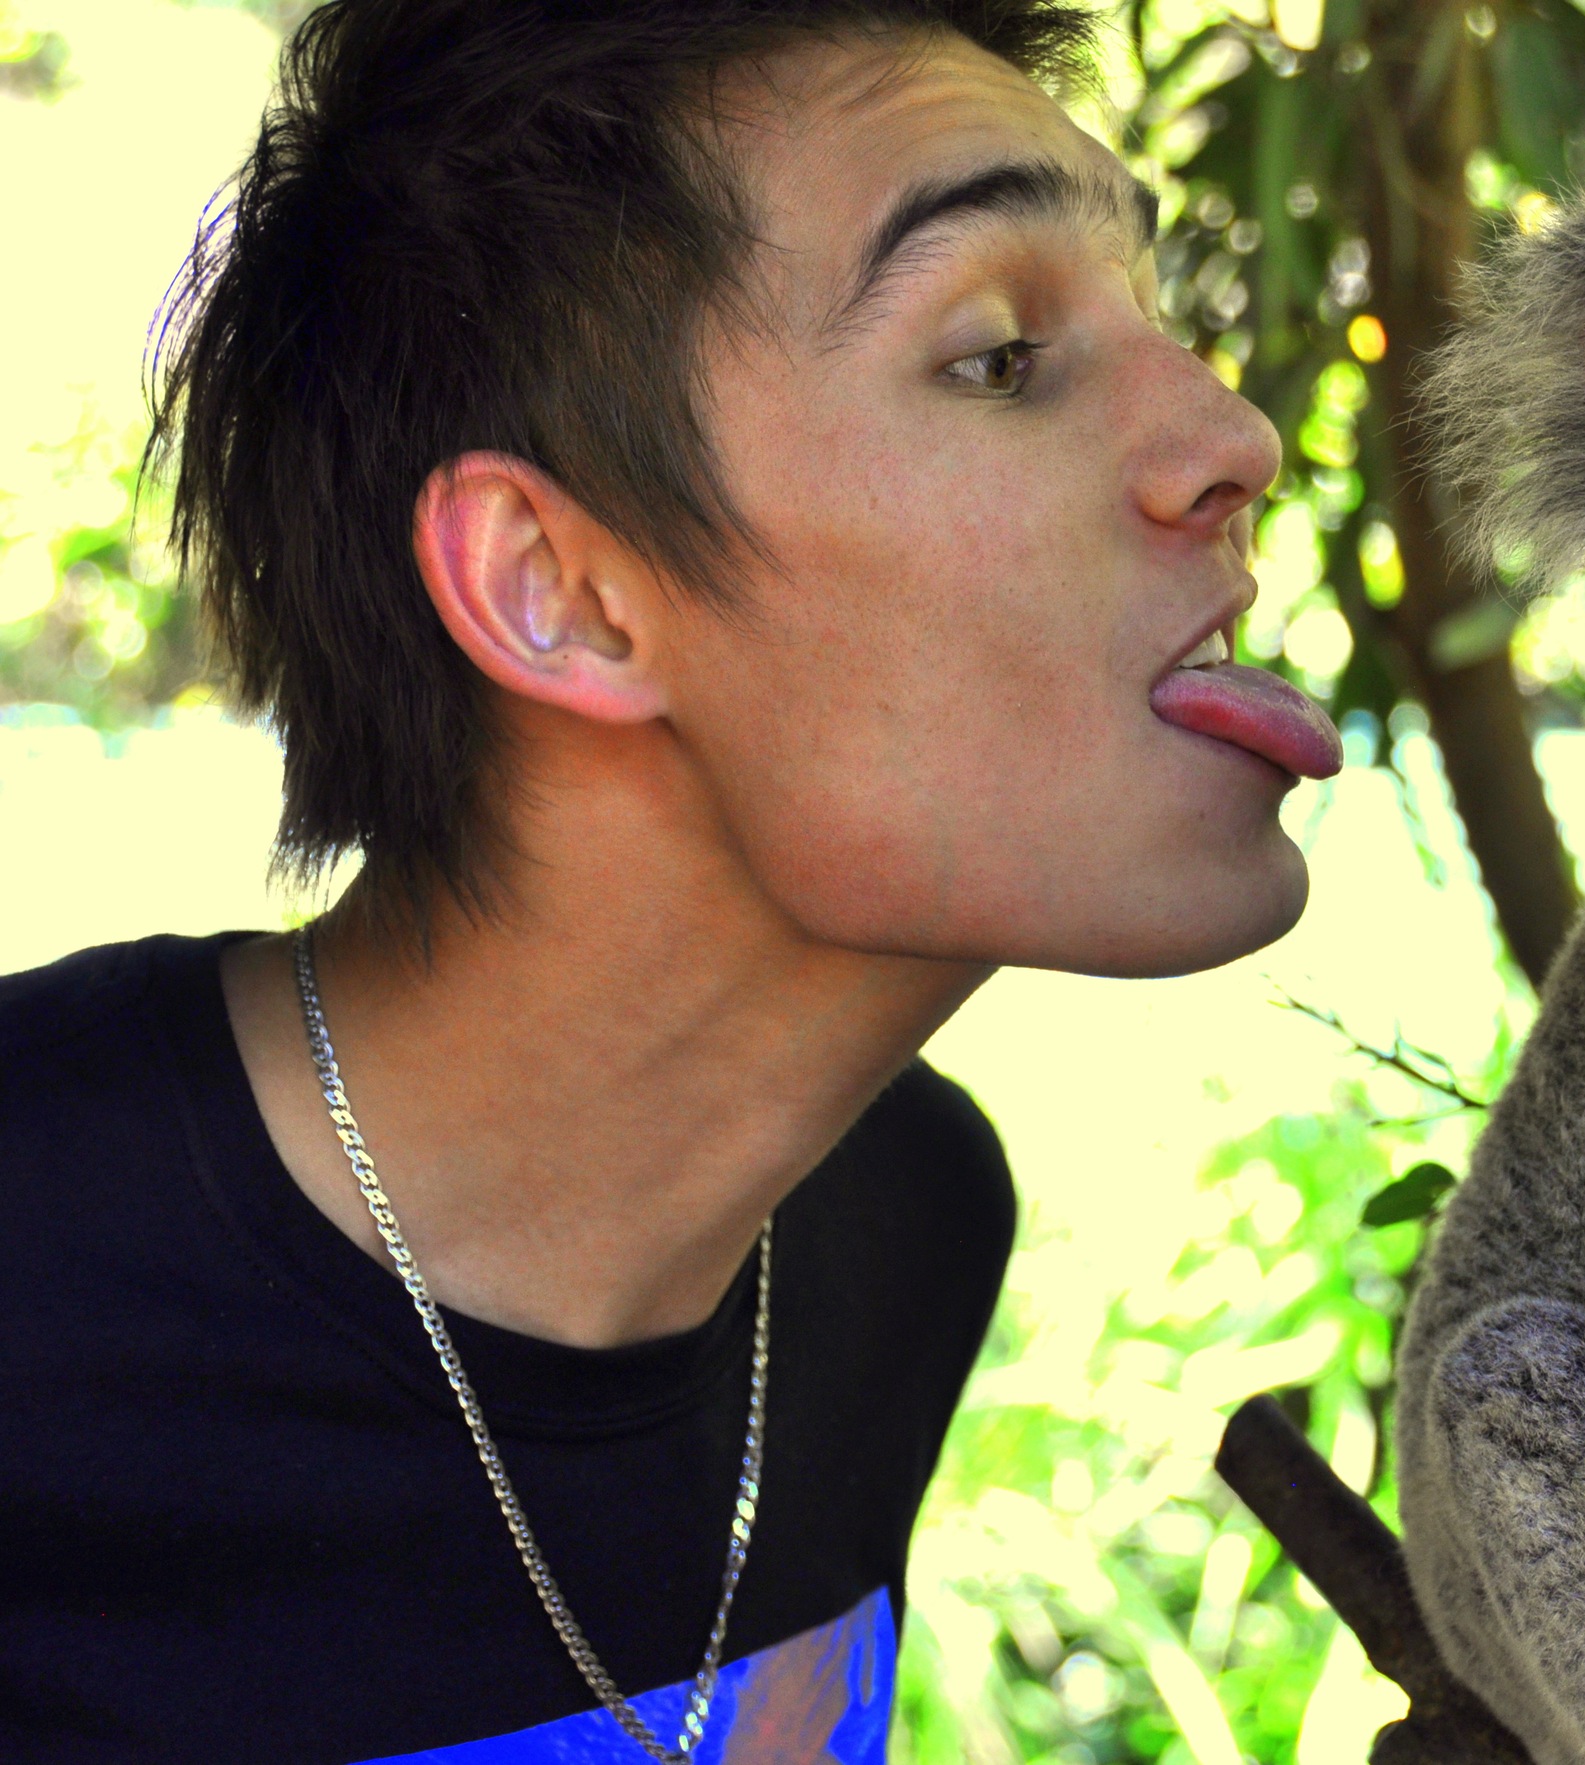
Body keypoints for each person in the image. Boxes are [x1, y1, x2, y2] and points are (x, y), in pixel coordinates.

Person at [0, 0, 1340, 1758]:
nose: (1234, 435)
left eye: (1157, 315)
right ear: (560, 589)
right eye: (1002, 356)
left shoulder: (905, 1230)